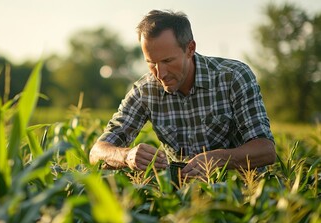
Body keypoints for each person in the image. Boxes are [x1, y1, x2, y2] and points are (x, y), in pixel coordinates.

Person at [89, 10, 276, 180]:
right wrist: (126, 156)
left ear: (190, 49)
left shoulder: (233, 77)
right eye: (151, 63)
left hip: (239, 194)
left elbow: (266, 150)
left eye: (168, 61)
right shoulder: (145, 91)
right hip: (180, 198)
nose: (160, 73)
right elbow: (97, 151)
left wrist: (217, 158)